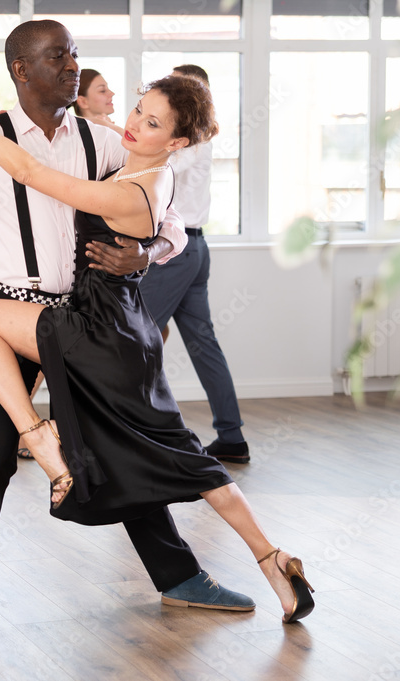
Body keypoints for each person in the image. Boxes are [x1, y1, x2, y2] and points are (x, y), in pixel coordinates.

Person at [0, 20, 255, 632]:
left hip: (82, 319)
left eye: (76, 53)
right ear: (22, 70)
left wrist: (145, 255)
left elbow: (173, 225)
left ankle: (181, 578)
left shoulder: (101, 139)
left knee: (120, 449)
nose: (74, 64)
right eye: (58, 56)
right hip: (7, 315)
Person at [0, 72, 315, 625]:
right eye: (138, 110)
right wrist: (154, 247)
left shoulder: (129, 188)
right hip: (127, 332)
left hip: (96, 328)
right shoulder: (147, 163)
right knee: (180, 455)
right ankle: (272, 559)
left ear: (178, 142)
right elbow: (172, 225)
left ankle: (39, 437)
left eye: (153, 121)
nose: (133, 124)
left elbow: (24, 169)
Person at [139, 64, 249, 464]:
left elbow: (159, 166)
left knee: (131, 339)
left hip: (175, 251)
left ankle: (142, 434)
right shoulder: (197, 140)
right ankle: (231, 436)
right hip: (192, 250)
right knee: (203, 344)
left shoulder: (191, 143)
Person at [71, 68, 126, 138]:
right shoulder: (76, 136)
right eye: (102, 91)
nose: (112, 93)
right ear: (83, 102)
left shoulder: (108, 131)